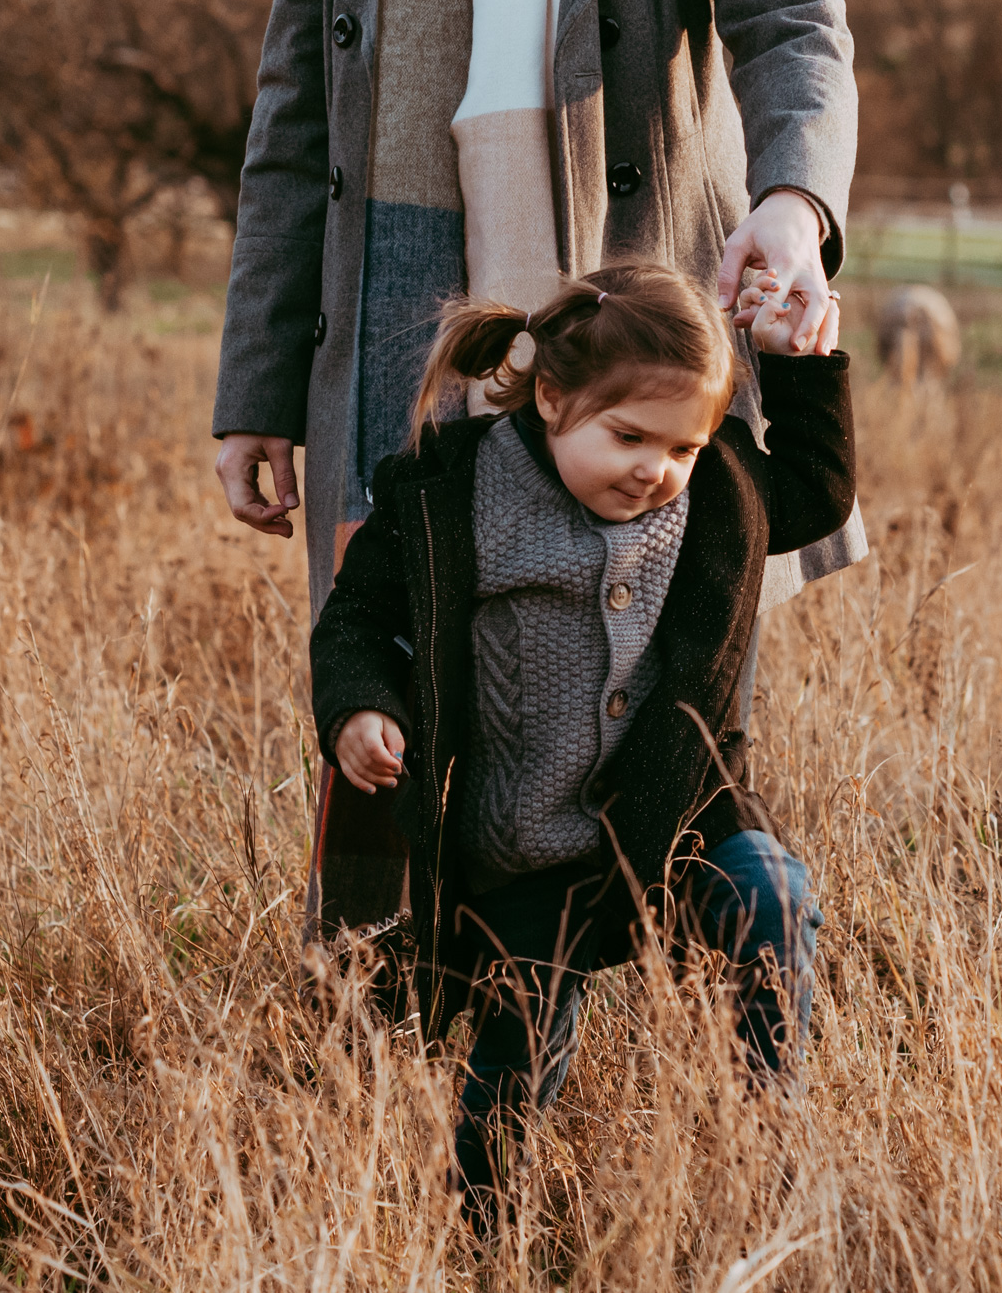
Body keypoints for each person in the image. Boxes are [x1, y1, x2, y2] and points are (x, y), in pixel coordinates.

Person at [211, 0, 864, 935]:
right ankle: (394, 998)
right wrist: (254, 382)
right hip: (394, 321)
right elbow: (292, 124)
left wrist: (791, 204)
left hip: (624, 314)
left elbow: (791, 22)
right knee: (401, 669)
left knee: (648, 659)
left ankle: (648, 960)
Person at [311, 264, 855, 1234]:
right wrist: (359, 709)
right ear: (554, 398)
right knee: (510, 1071)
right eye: (630, 437)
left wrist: (800, 366)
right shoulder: (451, 487)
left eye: (682, 444)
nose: (657, 468)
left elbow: (813, 493)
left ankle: (765, 1131)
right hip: (529, 844)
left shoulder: (719, 487)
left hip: (682, 811)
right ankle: (481, 1226)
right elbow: (355, 617)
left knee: (771, 895)